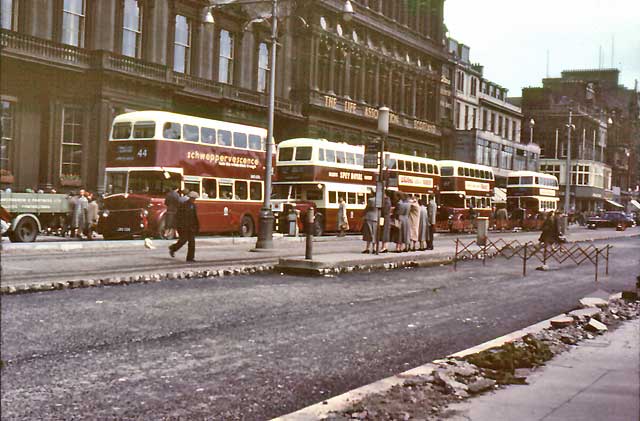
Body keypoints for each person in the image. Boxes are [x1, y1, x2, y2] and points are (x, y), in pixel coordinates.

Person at [169, 191, 200, 262]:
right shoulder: (184, 205)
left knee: (192, 243)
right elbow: (178, 216)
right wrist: (178, 225)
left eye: (195, 198)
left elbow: (195, 217)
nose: (194, 200)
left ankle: (190, 258)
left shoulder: (194, 206)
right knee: (183, 240)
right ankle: (173, 248)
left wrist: (197, 226)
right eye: (193, 198)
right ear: (190, 198)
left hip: (191, 227)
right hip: (184, 227)